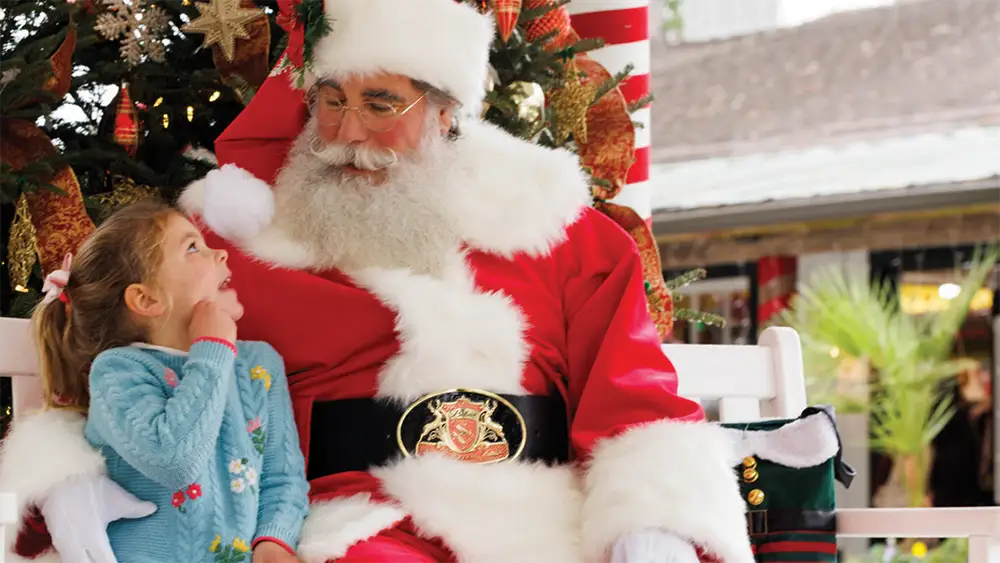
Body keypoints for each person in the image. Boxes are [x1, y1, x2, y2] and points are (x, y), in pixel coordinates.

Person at [0, 0, 756, 562]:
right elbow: (134, 367)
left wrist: (654, 525)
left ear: (447, 113)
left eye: (380, 104)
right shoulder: (237, 244)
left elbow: (634, 398)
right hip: (353, 522)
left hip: (547, 517)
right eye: (332, 101)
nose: (348, 133)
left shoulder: (559, 232)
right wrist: (68, 475)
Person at [8, 201, 309, 563]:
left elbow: (282, 476)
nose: (221, 254)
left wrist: (274, 543)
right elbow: (175, 461)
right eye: (192, 248)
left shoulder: (259, 364)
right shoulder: (118, 373)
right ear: (147, 299)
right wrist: (212, 349)